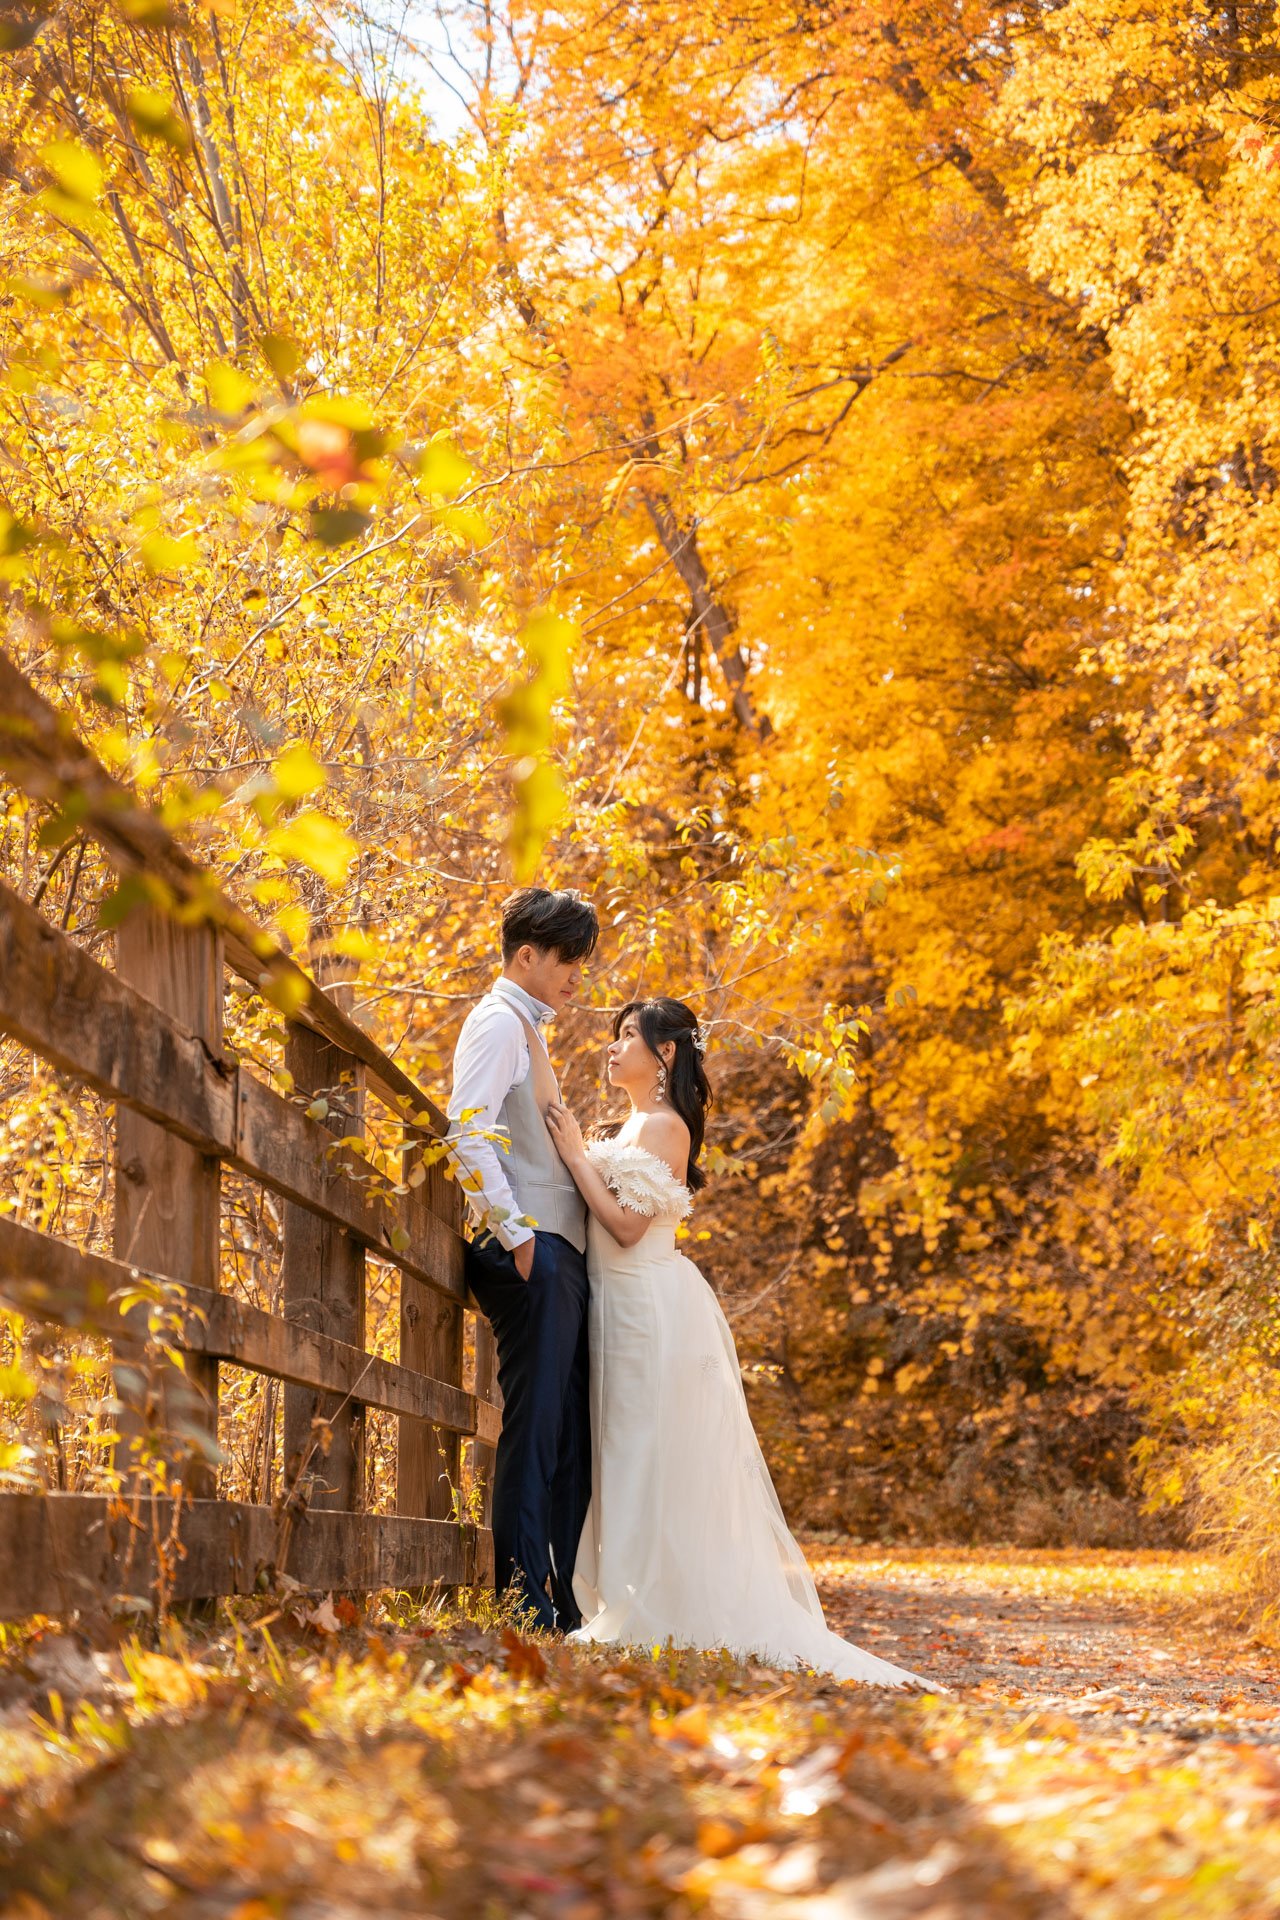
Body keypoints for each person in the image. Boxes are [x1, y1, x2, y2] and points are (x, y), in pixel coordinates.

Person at [544, 997, 930, 1688]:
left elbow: (629, 1229)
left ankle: (645, 1611)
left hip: (648, 1309)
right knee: (622, 1451)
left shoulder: (664, 1127)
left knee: (644, 1452)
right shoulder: (630, 1121)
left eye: (627, 1036)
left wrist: (576, 1156)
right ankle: (626, 1597)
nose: (612, 1047)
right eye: (615, 1035)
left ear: (664, 1055)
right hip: (617, 1307)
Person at [447, 886, 599, 1632]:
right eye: (568, 958)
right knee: (536, 1431)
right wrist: (518, 1238)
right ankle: (521, 1604)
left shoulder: (530, 1030)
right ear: (527, 953)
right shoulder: (497, 1022)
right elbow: (465, 1130)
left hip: (556, 1252)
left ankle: (560, 1603)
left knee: (571, 1434)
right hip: (530, 1254)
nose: (577, 975)